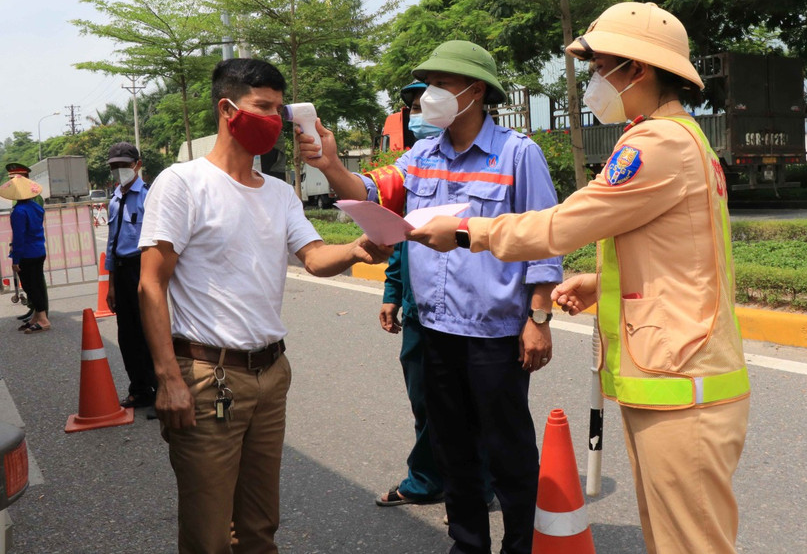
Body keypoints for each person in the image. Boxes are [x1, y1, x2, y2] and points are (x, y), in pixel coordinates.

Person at [409, 2, 751, 554]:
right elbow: (684, 253)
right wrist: (600, 282)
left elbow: (563, 223)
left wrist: (470, 232)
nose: (593, 82)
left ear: (635, 70)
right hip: (684, 375)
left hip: (682, 379)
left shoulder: (655, 143)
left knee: (689, 544)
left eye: (599, 69)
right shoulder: (684, 137)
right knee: (672, 539)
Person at [300, 41, 563, 554]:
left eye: (442, 84)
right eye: (430, 85)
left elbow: (544, 242)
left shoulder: (518, 154)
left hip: (494, 333)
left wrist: (539, 317)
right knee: (453, 449)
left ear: (476, 90)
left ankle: (521, 546)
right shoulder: (422, 154)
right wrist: (332, 166)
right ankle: (468, 545)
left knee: (507, 450)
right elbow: (372, 191)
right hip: (437, 327)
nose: (430, 95)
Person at [138, 58, 392, 554]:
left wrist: (358, 249)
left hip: (271, 374)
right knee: (208, 534)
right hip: (208, 376)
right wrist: (168, 377)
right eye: (264, 107)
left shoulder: (278, 193)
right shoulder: (182, 183)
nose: (275, 121)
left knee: (258, 526)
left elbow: (316, 258)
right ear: (226, 108)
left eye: (280, 110)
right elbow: (151, 284)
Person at [375, 81, 446, 508]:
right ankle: (427, 479)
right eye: (414, 108)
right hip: (419, 308)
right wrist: (392, 289)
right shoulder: (413, 163)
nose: (420, 115)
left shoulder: (505, 155)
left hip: (473, 313)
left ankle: (481, 486)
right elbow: (401, 236)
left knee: (476, 405)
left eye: (428, 105)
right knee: (424, 401)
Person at [105, 142, 156, 410]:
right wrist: (111, 285)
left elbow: (157, 242)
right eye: (114, 167)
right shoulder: (114, 199)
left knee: (150, 332)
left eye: (124, 165)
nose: (119, 171)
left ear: (137, 164)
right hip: (122, 273)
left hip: (143, 268)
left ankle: (161, 392)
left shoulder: (149, 196)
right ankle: (139, 390)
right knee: (127, 336)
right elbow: (111, 245)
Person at [2, 176, 50, 333]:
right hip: (38, 250)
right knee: (36, 284)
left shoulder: (18, 212)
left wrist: (15, 259)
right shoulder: (36, 207)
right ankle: (36, 317)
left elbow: (19, 237)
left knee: (31, 287)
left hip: (26, 254)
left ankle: (42, 319)